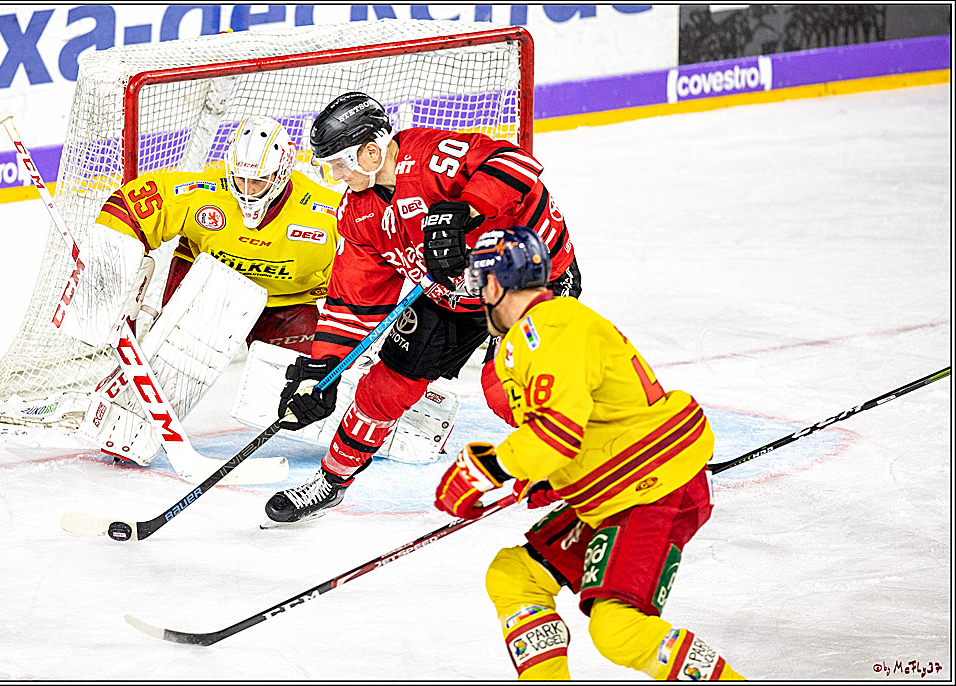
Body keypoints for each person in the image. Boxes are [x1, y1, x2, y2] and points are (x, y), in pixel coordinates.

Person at [433, 227, 744, 680]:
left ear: (496, 284)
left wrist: (493, 469)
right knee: (514, 574)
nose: (479, 298)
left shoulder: (555, 328)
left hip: (653, 489)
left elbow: (558, 431)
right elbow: (576, 432)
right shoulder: (534, 335)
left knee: (616, 629)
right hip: (613, 490)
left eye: (480, 286)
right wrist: (536, 479)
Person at [264, 92, 582, 524]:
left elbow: (516, 163)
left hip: (526, 280)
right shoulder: (357, 213)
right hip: (447, 295)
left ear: (372, 152)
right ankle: (332, 481)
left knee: (506, 389)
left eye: (338, 163)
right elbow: (353, 300)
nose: (335, 175)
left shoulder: (434, 158)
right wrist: (324, 371)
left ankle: (598, 456)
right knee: (385, 387)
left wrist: (465, 210)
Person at [89, 115, 341, 465]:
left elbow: (369, 267)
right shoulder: (204, 191)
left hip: (292, 302)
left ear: (282, 172)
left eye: (260, 180)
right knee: (170, 365)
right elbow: (130, 205)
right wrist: (109, 265)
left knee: (310, 388)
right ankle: (127, 430)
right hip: (209, 288)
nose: (248, 190)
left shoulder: (326, 212)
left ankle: (369, 427)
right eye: (241, 178)